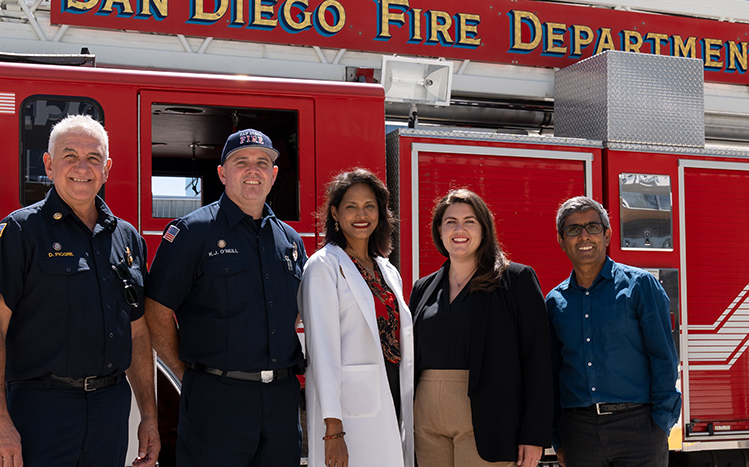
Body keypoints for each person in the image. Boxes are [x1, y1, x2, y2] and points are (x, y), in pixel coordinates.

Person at [0, 115, 160, 467]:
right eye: (69, 155)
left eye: (92, 159)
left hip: (111, 408)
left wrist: (148, 415)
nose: (81, 168)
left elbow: (137, 331)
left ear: (106, 168)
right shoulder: (19, 231)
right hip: (42, 410)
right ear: (48, 164)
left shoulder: (128, 238)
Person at [146, 128, 307, 467]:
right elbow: (155, 308)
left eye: (263, 163)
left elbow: (295, 312)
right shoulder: (192, 232)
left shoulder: (290, 240)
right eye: (241, 162)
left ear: (274, 174)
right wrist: (186, 374)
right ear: (222, 173)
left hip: (280, 400)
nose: (253, 170)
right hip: (216, 400)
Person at [409, 188, 551, 467]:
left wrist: (534, 435)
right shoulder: (422, 288)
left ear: (485, 229)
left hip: (490, 419)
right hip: (425, 421)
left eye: (469, 221)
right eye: (450, 222)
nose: (459, 229)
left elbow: (538, 361)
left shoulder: (516, 280)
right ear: (439, 230)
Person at [546, 196, 680, 467]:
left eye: (592, 227)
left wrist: (660, 424)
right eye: (573, 229)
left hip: (639, 428)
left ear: (607, 235)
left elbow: (664, 359)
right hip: (578, 432)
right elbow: (550, 374)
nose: (584, 236)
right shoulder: (554, 302)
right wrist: (557, 437)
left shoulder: (641, 286)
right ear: (561, 240)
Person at [300, 169, 414, 467]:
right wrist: (333, 430)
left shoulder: (386, 269)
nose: (361, 214)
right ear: (335, 213)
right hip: (346, 412)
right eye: (351, 206)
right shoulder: (323, 266)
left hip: (391, 392)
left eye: (370, 206)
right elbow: (321, 351)